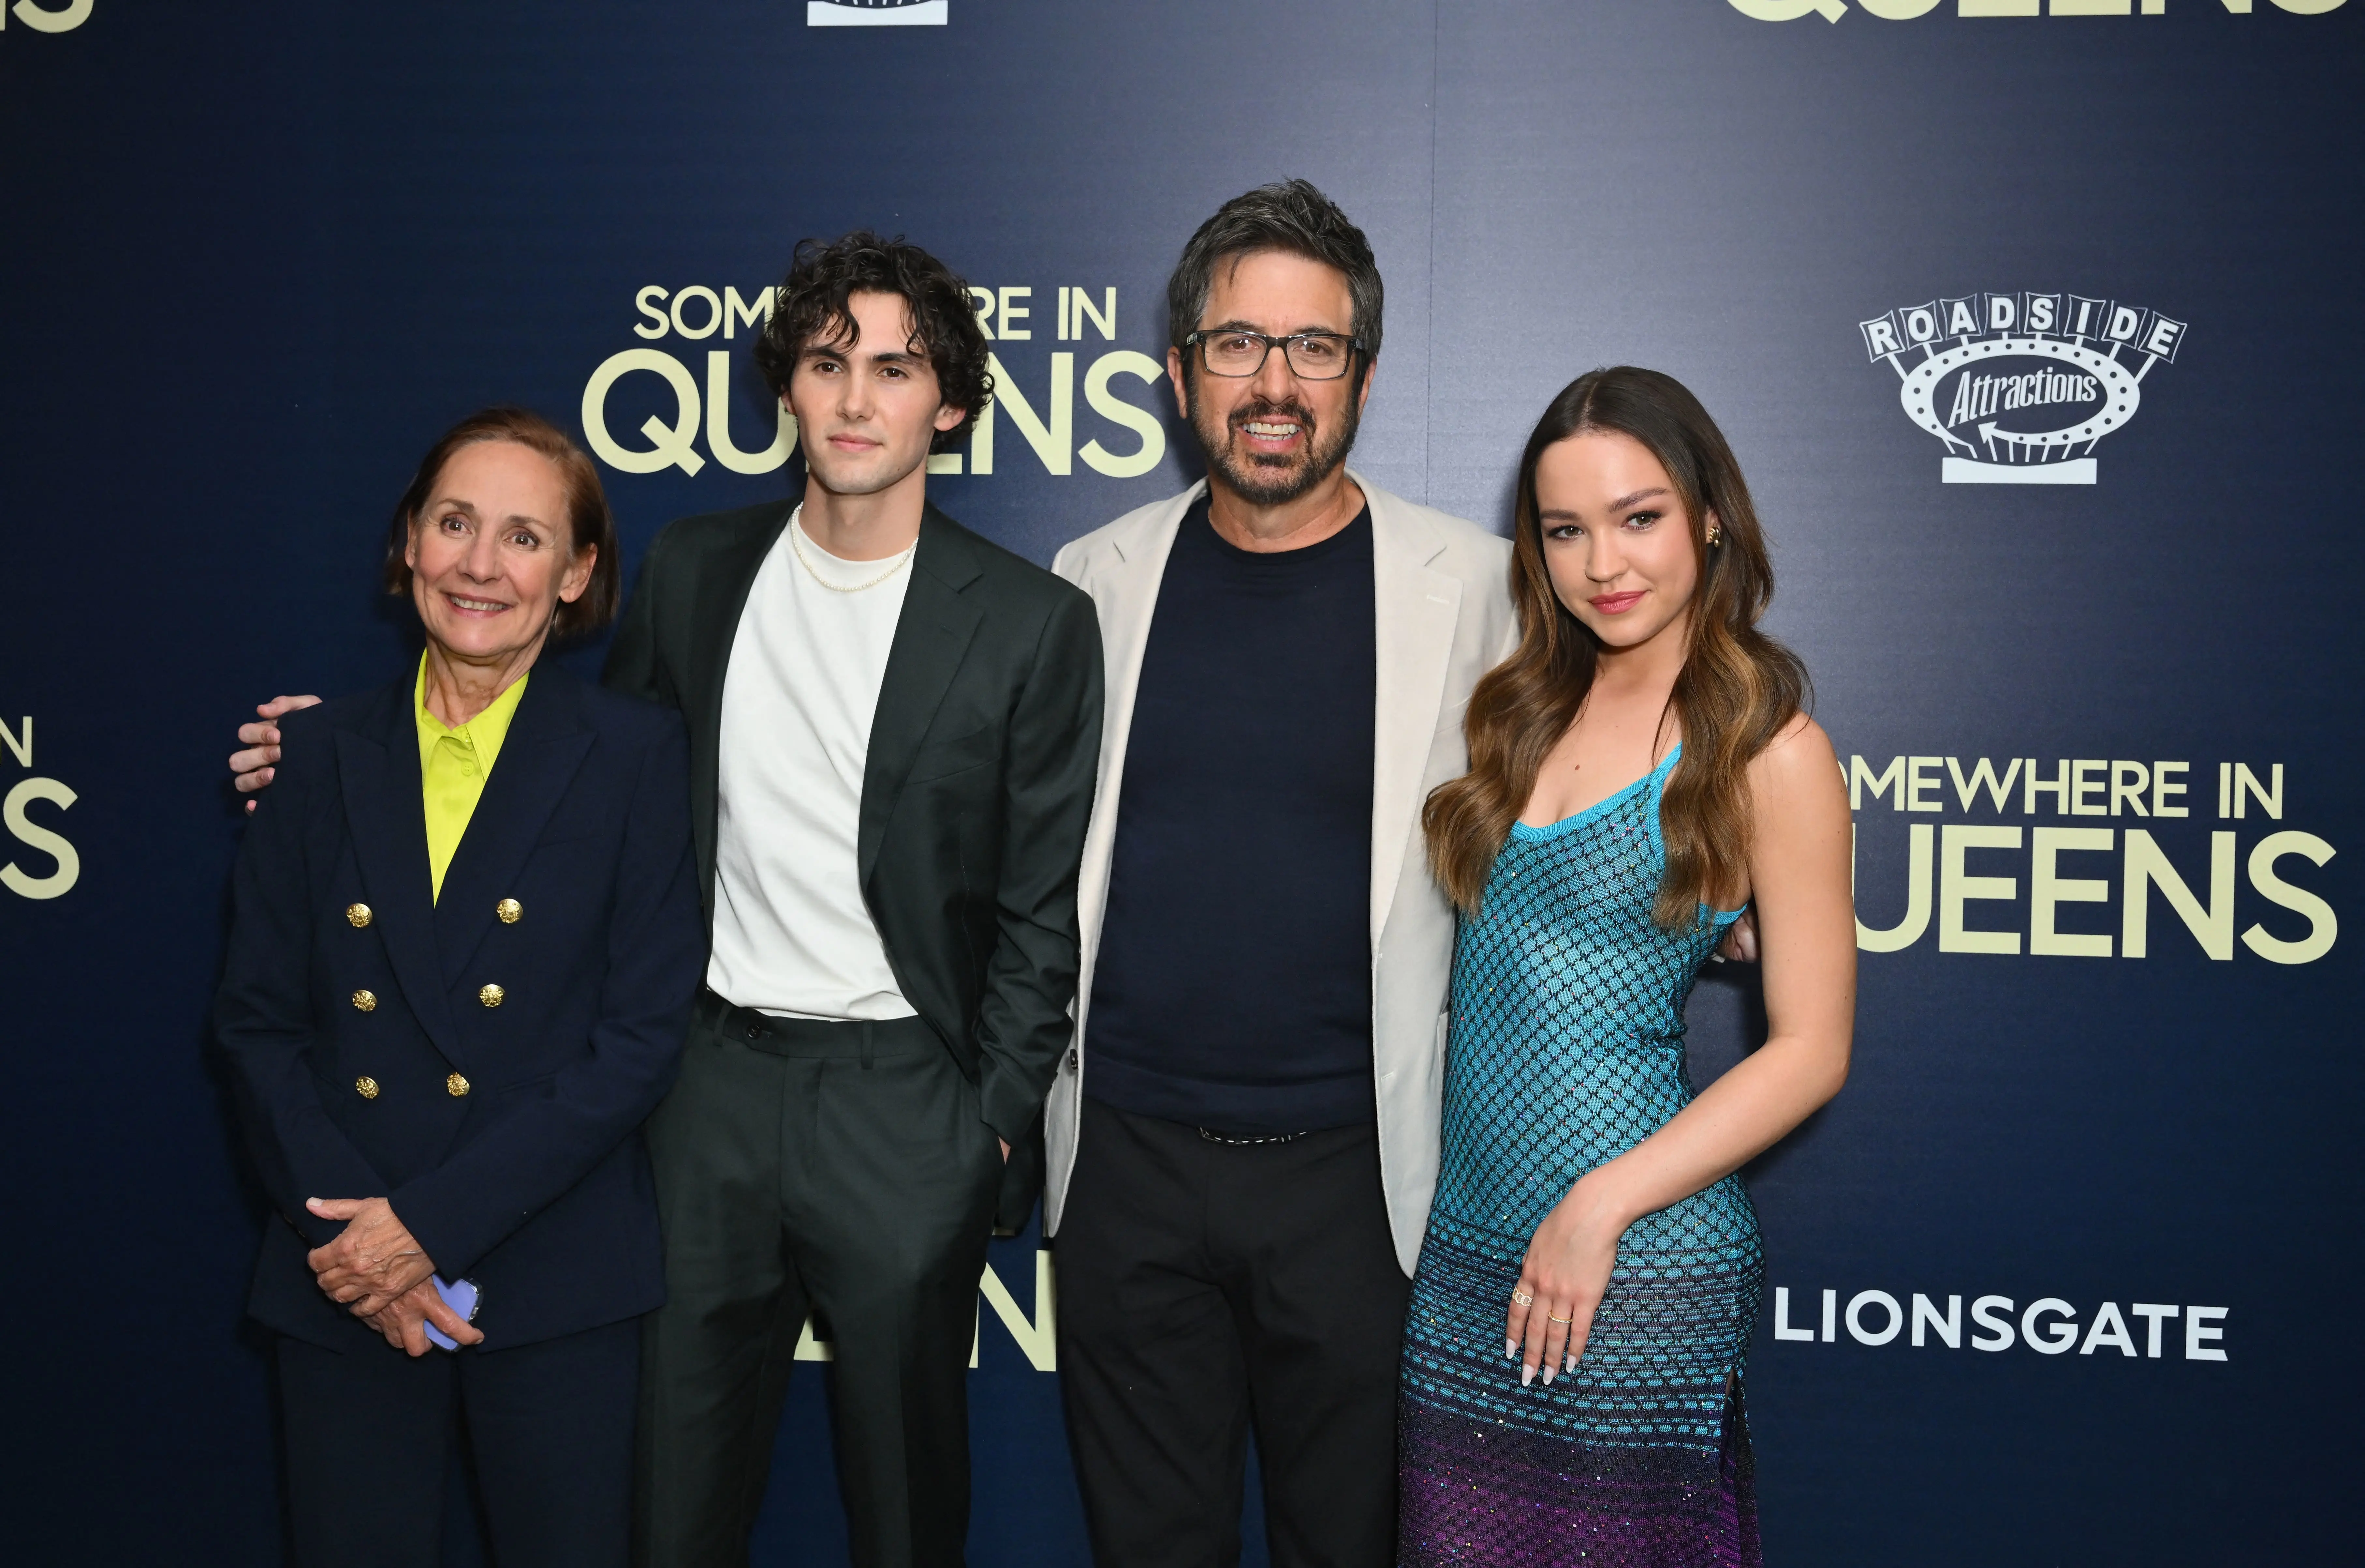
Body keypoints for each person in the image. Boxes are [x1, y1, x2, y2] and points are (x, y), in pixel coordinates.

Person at [231, 232, 1104, 1568]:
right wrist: (345, 759)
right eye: (826, 363)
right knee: (666, 1509)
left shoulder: (1032, 620)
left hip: (902, 1101)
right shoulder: (695, 568)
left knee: (907, 1508)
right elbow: (565, 788)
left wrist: (981, 1134)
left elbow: (1042, 912)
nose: (856, 397)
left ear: (952, 405)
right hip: (702, 1088)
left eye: (893, 367)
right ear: (787, 391)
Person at [1043, 180, 1517, 1568]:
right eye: (1237, 343)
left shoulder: (1481, 586)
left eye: (1313, 348)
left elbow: (1612, 778)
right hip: (1124, 1165)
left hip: (1360, 1182)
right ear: (1181, 371)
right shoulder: (1091, 577)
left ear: (1361, 376)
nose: (1273, 384)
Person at [214, 406, 707, 1567]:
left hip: (553, 1279)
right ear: (408, 546)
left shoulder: (639, 758)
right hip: (340, 1274)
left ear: (579, 575)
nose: (482, 565)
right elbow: (256, 1025)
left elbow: (638, 1041)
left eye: (526, 538)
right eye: (454, 524)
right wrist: (361, 1242)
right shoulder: (317, 755)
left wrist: (428, 1231)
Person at [1399, 367, 1855, 1567]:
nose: (1604, 561)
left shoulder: (1770, 749)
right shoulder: (1520, 709)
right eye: (1566, 530)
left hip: (1635, 1259)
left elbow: (1812, 1050)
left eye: (1639, 517)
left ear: (1710, 514)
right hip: (1469, 1250)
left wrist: (1597, 1208)